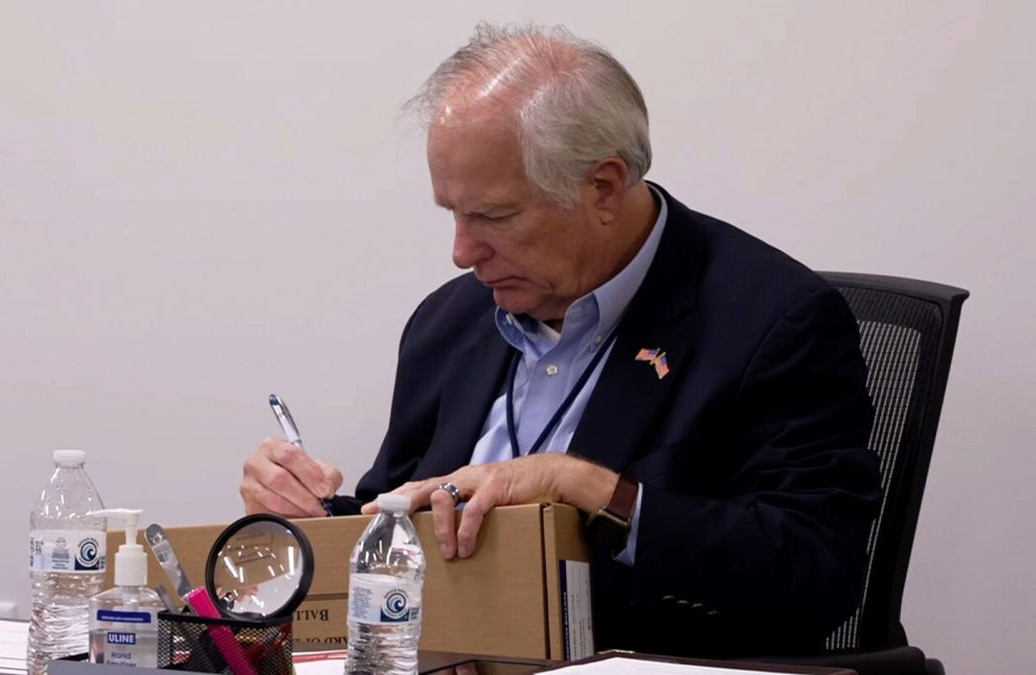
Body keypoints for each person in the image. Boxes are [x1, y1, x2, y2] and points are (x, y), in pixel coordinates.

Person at [240, 24, 882, 658]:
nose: (462, 253)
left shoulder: (773, 321)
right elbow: (415, 510)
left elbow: (817, 569)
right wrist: (316, 517)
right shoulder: (450, 323)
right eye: (453, 214)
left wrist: (589, 490)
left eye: (493, 216)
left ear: (602, 187)